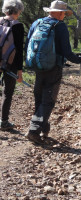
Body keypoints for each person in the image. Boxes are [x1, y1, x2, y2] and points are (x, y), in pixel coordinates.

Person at [25, 0, 81, 144]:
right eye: (64, 13)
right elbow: (67, 52)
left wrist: (29, 63)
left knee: (39, 98)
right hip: (54, 68)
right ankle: (34, 131)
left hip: (37, 66)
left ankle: (44, 128)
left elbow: (27, 44)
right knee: (48, 101)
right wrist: (80, 60)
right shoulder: (60, 26)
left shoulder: (37, 23)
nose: (64, 15)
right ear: (58, 13)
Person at [0, 0, 24, 130]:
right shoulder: (18, 26)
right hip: (11, 63)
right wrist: (19, 72)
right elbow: (19, 51)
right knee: (7, 92)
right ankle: (4, 122)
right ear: (18, 10)